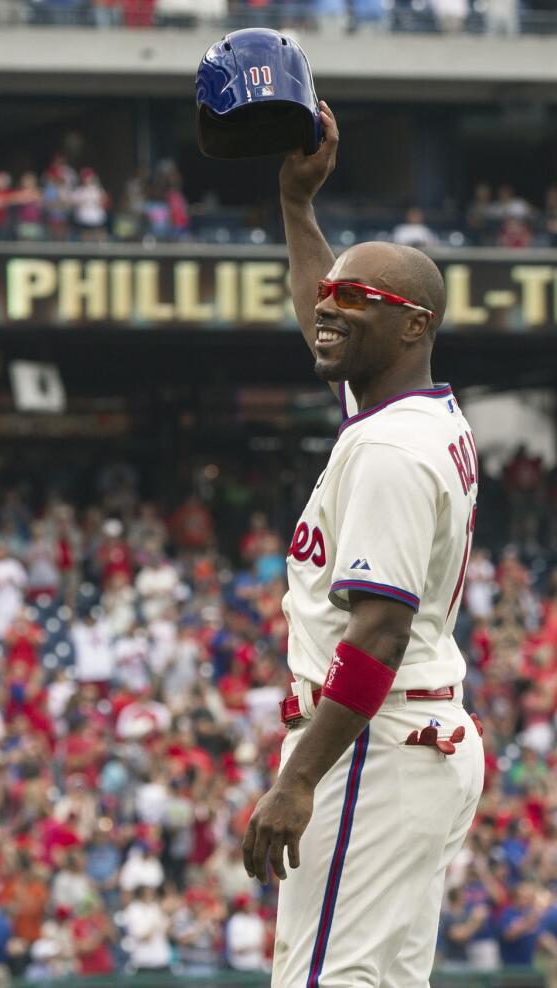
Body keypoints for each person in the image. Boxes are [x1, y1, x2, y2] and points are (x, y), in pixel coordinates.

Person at [243, 101, 485, 987]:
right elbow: (328, 303)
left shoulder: (388, 449)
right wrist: (299, 209)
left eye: (360, 300)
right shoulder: (407, 410)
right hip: (416, 738)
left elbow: (375, 636)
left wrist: (299, 779)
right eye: (330, 294)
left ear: (415, 325)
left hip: (375, 745)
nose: (330, 308)